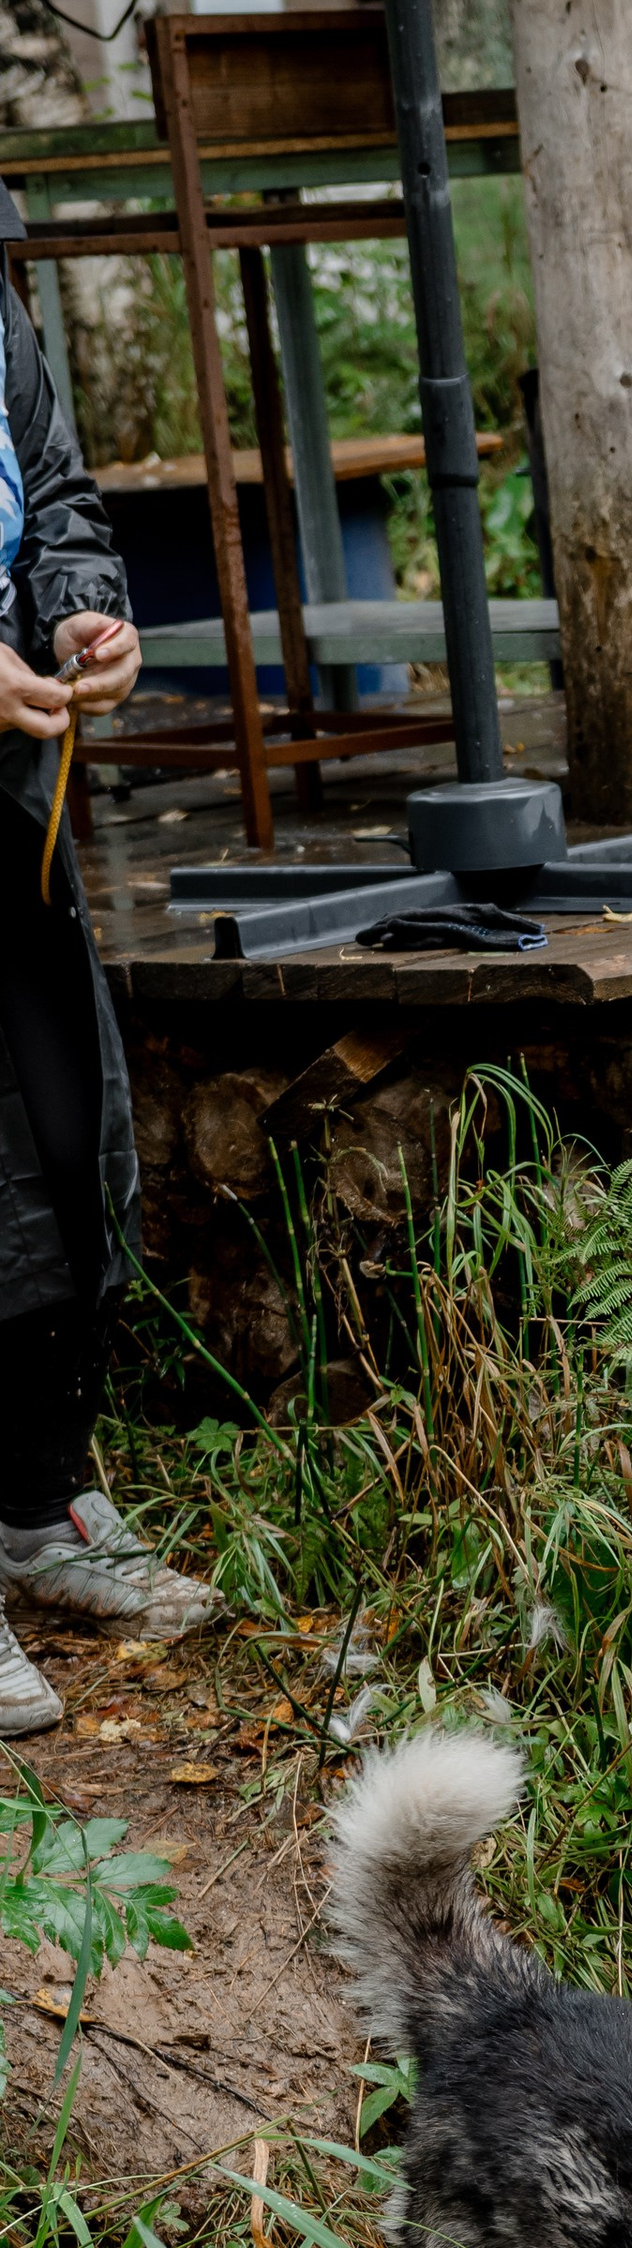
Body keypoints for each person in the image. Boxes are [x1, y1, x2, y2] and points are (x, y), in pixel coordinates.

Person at [0, 259, 218, 1734]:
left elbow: (56, 491)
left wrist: (83, 619)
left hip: (10, 780)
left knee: (58, 1132)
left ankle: (34, 1505)